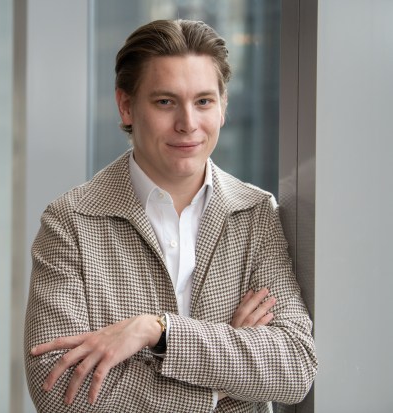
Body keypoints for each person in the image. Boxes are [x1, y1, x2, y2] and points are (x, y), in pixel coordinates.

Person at [24, 19, 317, 412]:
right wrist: (221, 384)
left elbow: (294, 364)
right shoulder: (71, 223)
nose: (188, 124)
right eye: (165, 102)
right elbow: (59, 392)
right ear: (126, 106)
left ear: (224, 107)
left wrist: (156, 331)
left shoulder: (255, 213)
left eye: (203, 101)